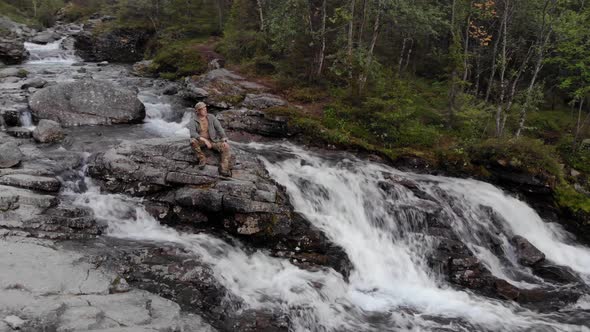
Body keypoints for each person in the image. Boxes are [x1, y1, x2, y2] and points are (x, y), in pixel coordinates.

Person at [188, 102, 232, 177]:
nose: (205, 110)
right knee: (192, 141)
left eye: (205, 109)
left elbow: (219, 129)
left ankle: (223, 169)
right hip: (201, 141)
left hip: (213, 140)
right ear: (198, 111)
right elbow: (192, 133)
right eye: (203, 109)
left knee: (226, 147)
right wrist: (204, 140)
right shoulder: (193, 120)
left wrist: (224, 140)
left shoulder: (211, 117)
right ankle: (202, 158)